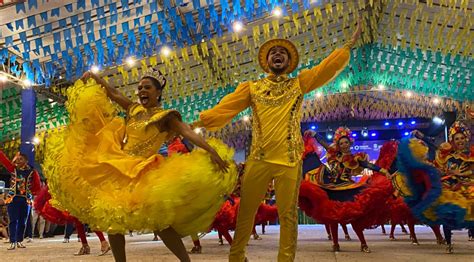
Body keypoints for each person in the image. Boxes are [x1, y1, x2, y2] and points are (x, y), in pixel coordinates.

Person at [193, 18, 362, 262]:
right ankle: (236, 257)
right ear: (267, 61)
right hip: (259, 158)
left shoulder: (299, 83)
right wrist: (196, 123)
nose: (278, 55)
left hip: (289, 159)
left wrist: (348, 45)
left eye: (282, 52)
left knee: (288, 216)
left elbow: (326, 68)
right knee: (246, 213)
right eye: (274, 53)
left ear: (289, 62)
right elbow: (225, 108)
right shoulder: (251, 88)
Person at [42, 68, 237, 262]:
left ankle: (185, 261)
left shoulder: (167, 116)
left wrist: (211, 151)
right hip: (119, 166)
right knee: (113, 221)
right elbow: (115, 93)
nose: (142, 91)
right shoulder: (134, 109)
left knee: (160, 223)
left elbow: (187, 132)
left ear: (158, 92)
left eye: (147, 87)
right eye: (140, 88)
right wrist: (96, 78)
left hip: (145, 172)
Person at [300, 127, 392, 252]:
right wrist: (315, 134)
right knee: (333, 217)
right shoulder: (335, 154)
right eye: (341, 143)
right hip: (331, 187)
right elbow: (324, 143)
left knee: (355, 218)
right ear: (338, 144)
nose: (343, 145)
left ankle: (363, 244)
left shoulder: (356, 159)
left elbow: (368, 165)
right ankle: (335, 244)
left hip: (347, 188)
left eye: (346, 142)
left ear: (350, 143)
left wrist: (383, 170)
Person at [406, 122, 473, 253]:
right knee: (446, 213)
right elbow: (434, 146)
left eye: (462, 138)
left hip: (466, 185)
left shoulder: (471, 155)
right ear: (453, 140)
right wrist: (421, 136)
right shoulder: (447, 155)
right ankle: (448, 243)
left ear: (466, 139)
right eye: (456, 138)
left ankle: (471, 232)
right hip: (449, 187)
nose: (460, 141)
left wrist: (461, 174)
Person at [0, 152, 41, 250]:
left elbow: (37, 186)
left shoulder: (32, 172)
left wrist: (34, 194)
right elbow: (4, 160)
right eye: (17, 159)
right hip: (13, 198)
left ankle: (19, 241)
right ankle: (12, 241)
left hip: (25, 200)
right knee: (13, 221)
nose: (18, 161)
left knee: (23, 222)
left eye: (21, 159)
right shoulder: (13, 169)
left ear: (26, 161)